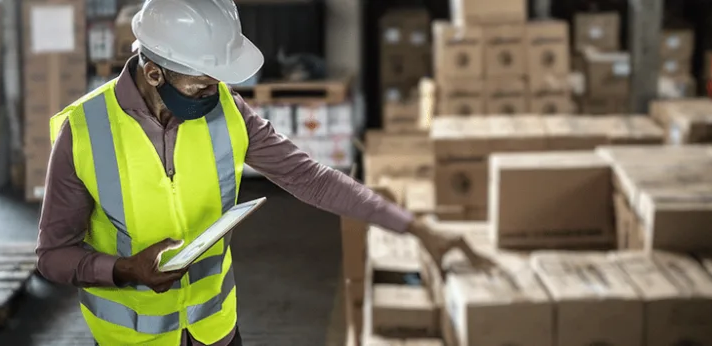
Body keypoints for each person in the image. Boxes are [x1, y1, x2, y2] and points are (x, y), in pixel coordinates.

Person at [34, 0, 490, 345]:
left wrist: (414, 227)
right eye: (202, 84)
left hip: (216, 330)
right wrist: (125, 270)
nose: (216, 95)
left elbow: (310, 178)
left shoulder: (227, 111)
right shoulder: (83, 131)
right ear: (154, 73)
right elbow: (52, 256)